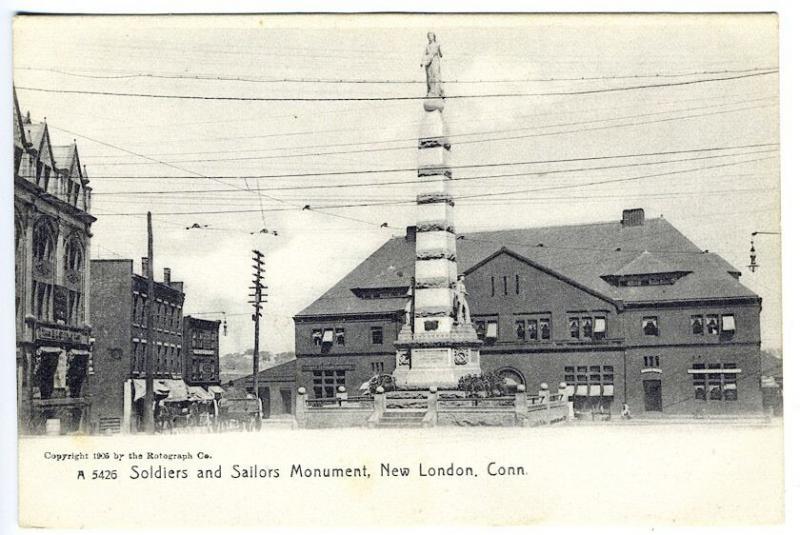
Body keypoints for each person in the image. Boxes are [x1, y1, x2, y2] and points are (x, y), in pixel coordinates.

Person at [420, 32, 443, 97]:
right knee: (429, 77)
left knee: (435, 76)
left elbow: (441, 55)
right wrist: (422, 62)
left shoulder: (437, 44)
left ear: (433, 37)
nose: (430, 37)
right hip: (428, 63)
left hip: (435, 62)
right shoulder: (427, 46)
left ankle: (436, 91)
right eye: (428, 36)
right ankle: (430, 91)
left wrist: (439, 48)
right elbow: (424, 54)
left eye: (431, 36)